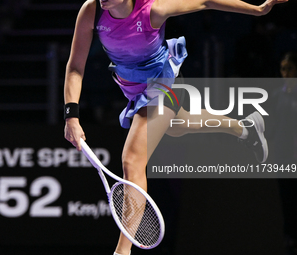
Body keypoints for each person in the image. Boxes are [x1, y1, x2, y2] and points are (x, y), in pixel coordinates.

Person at [63, 0, 288, 254]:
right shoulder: (92, 11)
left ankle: (122, 252)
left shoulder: (153, 10)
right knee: (177, 126)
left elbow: (205, 2)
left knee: (132, 160)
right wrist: (71, 115)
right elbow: (75, 67)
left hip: (163, 81)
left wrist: (257, 10)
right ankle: (245, 128)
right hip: (134, 89)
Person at [270, 51, 297, 255]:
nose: (285, 73)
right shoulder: (277, 95)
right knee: (287, 201)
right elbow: (273, 127)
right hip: (283, 158)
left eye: (289, 69)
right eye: (283, 69)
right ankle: (289, 239)